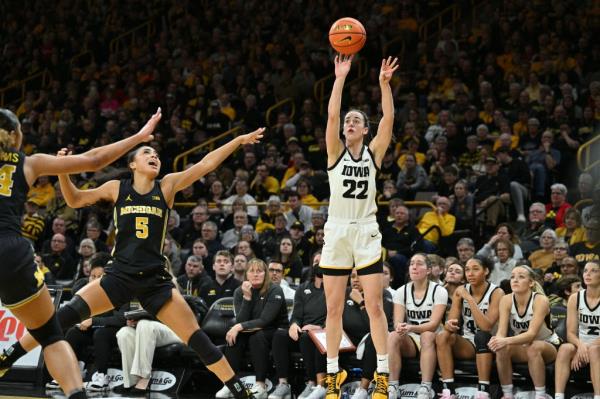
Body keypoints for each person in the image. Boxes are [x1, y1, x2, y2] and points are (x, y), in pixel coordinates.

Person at [1, 125, 265, 399]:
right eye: (147, 152)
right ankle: (9, 357)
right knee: (59, 319)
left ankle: (240, 393)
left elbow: (206, 163)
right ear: (132, 163)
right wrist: (64, 172)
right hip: (119, 276)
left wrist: (238, 140)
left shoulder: (167, 185)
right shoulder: (117, 188)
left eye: (156, 155)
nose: (154, 156)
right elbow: (76, 199)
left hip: (155, 281)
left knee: (199, 341)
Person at [0, 107, 162, 399]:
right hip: (10, 252)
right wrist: (138, 137)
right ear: (16, 136)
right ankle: (76, 395)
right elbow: (93, 159)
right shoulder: (29, 163)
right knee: (49, 334)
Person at [319, 55, 398, 399]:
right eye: (348, 120)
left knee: (375, 306)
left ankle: (382, 375)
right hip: (336, 231)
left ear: (365, 130)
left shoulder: (374, 153)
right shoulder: (334, 151)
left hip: (366, 229)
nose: (349, 123)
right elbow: (332, 114)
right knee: (333, 308)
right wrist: (339, 78)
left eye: (357, 121)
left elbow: (389, 119)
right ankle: (333, 375)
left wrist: (384, 85)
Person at [217, 259, 288, 399]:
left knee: (256, 335)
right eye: (252, 271)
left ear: (265, 274)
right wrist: (247, 298)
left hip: (276, 330)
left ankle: (260, 385)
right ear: (246, 274)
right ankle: (230, 384)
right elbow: (241, 320)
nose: (255, 275)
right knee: (234, 336)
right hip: (253, 329)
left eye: (259, 271)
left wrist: (238, 326)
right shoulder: (239, 291)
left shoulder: (274, 289)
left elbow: (265, 320)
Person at [436, 256, 504, 399]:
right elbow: (452, 324)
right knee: (442, 336)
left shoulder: (497, 292)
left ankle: (483, 391)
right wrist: (449, 325)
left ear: (486, 271)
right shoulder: (460, 291)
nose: (470, 274)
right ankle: (449, 390)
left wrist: (469, 299)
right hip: (469, 343)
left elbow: (486, 326)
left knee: (481, 336)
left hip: (492, 344)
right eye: (467, 270)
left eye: (475, 269)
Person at [488, 265, 560, 399]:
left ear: (531, 283)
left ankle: (540, 395)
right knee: (501, 348)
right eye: (513, 277)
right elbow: (501, 331)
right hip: (522, 346)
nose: (515, 280)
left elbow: (532, 334)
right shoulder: (506, 300)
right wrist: (498, 341)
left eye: (521, 277)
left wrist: (504, 340)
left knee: (533, 346)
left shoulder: (540, 300)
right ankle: (507, 394)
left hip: (548, 345)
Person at [388, 253, 448, 399]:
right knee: (393, 335)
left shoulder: (439, 290)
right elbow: (397, 322)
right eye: (412, 263)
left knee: (427, 335)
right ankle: (392, 385)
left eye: (419, 263)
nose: (414, 267)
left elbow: (433, 325)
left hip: (435, 338)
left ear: (428, 270)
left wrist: (411, 328)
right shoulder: (401, 291)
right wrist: (401, 327)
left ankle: (425, 387)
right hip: (413, 339)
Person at [269, 253, 327, 399]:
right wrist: (294, 324)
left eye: (322, 261)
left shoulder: (334, 288)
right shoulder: (302, 288)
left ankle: (312, 383)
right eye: (315, 262)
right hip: (303, 332)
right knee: (280, 335)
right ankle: (283, 384)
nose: (318, 265)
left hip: (323, 334)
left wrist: (318, 327)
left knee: (308, 337)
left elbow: (337, 316)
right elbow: (296, 315)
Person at [554, 261, 600, 399]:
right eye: (586, 271)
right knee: (565, 349)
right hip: (582, 346)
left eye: (594, 271)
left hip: (597, 347)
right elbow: (570, 333)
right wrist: (580, 347)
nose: (588, 274)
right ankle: (558, 396)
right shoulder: (575, 298)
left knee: (594, 350)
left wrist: (585, 349)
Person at [116, 317, 182, 393]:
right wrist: (131, 321)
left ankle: (144, 379)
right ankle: (131, 382)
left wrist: (146, 318)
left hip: (173, 328)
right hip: (142, 330)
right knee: (124, 332)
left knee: (144, 323)